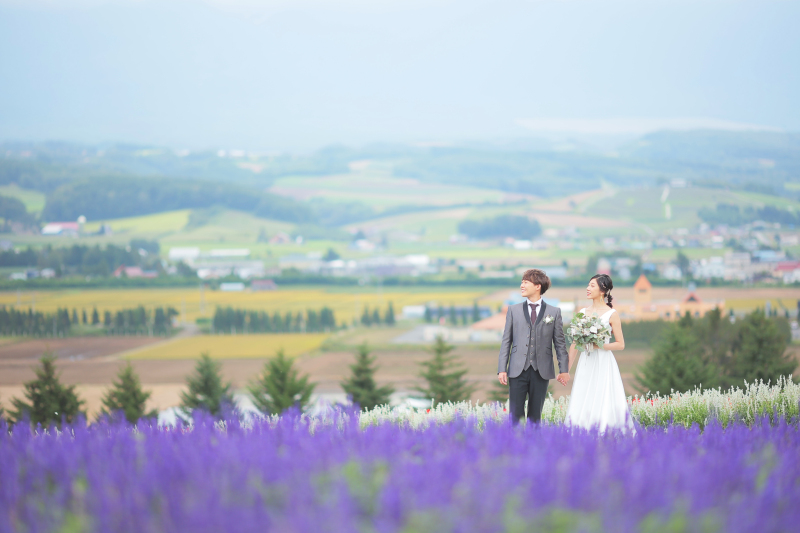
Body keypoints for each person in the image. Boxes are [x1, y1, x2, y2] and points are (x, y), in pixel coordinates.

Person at [564, 274, 635, 434]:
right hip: (586, 361)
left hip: (603, 361)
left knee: (602, 395)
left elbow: (620, 344)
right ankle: (580, 432)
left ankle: (604, 433)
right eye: (588, 285)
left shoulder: (612, 314)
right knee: (583, 394)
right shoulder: (582, 312)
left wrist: (599, 345)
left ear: (603, 290)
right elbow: (575, 343)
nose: (588, 289)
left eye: (592, 286)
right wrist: (566, 369)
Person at [497, 269, 569, 424]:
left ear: (538, 286)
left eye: (526, 282)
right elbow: (506, 341)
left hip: (541, 371)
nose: (522, 285)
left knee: (535, 416)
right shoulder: (513, 310)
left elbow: (560, 344)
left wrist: (564, 370)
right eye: (522, 282)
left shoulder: (554, 312)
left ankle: (533, 446)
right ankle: (516, 446)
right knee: (515, 416)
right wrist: (502, 368)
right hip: (517, 370)